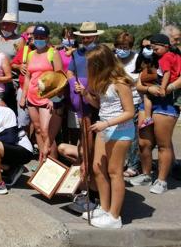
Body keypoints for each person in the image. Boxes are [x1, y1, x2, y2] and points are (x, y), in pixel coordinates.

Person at [76, 45, 135, 228]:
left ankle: (115, 216)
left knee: (114, 172)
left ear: (101, 64)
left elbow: (130, 112)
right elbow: (99, 105)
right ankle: (104, 206)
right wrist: (85, 93)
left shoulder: (120, 82)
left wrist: (107, 124)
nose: (88, 68)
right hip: (104, 128)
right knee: (97, 169)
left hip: (120, 130)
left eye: (91, 64)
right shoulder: (102, 81)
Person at [131, 34, 181, 194]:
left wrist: (168, 89)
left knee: (163, 144)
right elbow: (139, 84)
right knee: (144, 143)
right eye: (149, 47)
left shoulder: (173, 57)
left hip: (166, 105)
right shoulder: (149, 60)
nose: (150, 50)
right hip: (148, 102)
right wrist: (148, 89)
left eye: (153, 47)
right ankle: (146, 174)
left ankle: (161, 180)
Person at [19, 24, 63, 161]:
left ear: (47, 38)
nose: (38, 40)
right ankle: (42, 161)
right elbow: (28, 77)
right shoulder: (31, 54)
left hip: (46, 98)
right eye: (36, 37)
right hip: (32, 97)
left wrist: (53, 98)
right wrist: (23, 96)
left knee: (47, 132)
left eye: (42, 37)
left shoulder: (53, 53)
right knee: (37, 129)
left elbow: (59, 77)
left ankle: (53, 164)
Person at [113, 32, 142, 179]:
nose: (121, 50)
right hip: (116, 103)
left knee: (133, 135)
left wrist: (125, 79)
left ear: (131, 47)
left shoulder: (138, 59)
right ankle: (121, 161)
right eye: (118, 46)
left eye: (124, 47)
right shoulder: (114, 58)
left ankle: (133, 165)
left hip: (134, 101)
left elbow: (140, 81)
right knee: (120, 134)